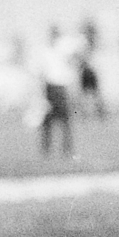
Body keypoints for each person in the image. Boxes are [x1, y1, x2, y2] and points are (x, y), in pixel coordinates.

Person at [36, 26, 77, 158]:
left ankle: (67, 150)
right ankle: (46, 150)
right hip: (50, 87)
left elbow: (73, 63)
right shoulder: (46, 51)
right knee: (48, 121)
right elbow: (42, 73)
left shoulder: (64, 50)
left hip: (61, 86)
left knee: (65, 120)